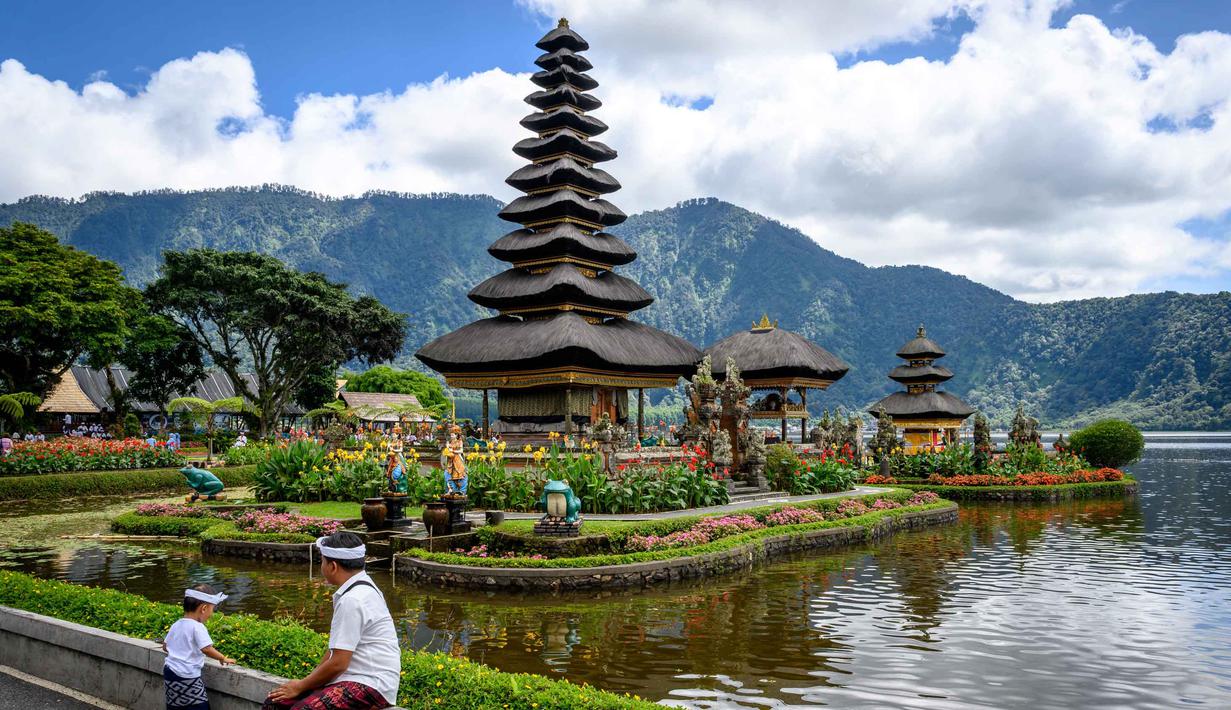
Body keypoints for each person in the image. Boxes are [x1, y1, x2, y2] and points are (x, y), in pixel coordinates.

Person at [264, 532, 399, 709]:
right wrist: (307, 682)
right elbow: (335, 653)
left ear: (333, 566)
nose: (322, 567)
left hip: (372, 683)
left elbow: (338, 663)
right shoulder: (360, 587)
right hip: (351, 678)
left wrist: (301, 686)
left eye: (322, 561)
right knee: (276, 703)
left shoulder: (353, 599)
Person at [162, 584, 236, 710]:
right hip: (186, 675)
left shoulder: (177, 624)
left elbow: (165, 646)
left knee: (175, 704)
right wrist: (222, 658)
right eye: (212, 609)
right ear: (204, 608)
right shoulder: (198, 627)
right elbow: (206, 648)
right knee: (199, 706)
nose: (212, 614)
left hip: (169, 672)